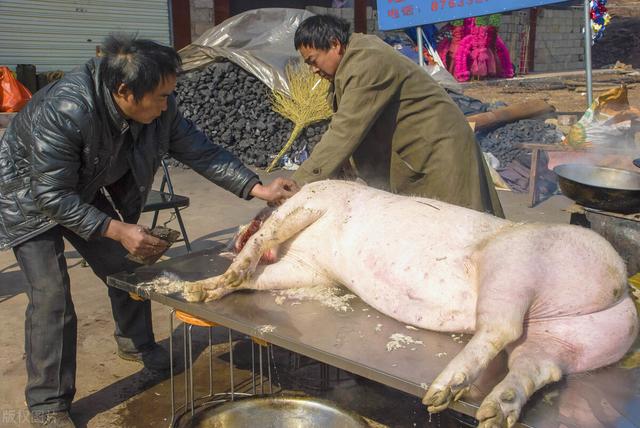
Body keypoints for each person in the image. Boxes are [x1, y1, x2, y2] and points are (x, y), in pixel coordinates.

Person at [0, 34, 297, 427]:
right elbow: (51, 195)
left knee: (127, 264)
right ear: (124, 91)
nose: (165, 104)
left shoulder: (159, 106)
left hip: (82, 185)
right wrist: (115, 227)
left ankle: (136, 344)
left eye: (168, 95)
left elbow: (200, 150)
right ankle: (48, 403)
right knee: (51, 293)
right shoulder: (68, 109)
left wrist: (258, 187)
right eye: (159, 97)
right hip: (30, 197)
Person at [291, 15, 504, 217]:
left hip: (439, 150)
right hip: (419, 150)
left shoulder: (367, 61)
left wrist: (299, 183)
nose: (313, 70)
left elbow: (345, 128)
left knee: (458, 229)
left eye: (313, 61)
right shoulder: (349, 65)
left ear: (335, 44)